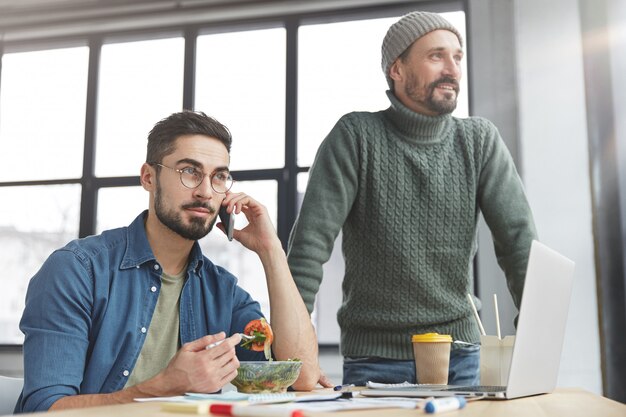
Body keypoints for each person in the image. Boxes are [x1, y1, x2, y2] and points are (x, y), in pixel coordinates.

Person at [287, 11, 537, 386]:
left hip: (461, 354)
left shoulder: (479, 140)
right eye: (436, 56)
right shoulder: (356, 136)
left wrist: (534, 339)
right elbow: (309, 248)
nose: (451, 68)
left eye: (457, 56)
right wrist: (294, 355)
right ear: (397, 69)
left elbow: (520, 244)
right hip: (376, 359)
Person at [16, 111, 320, 413]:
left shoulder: (223, 292)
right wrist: (163, 387)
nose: (205, 191)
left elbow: (302, 377)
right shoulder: (76, 270)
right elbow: (45, 409)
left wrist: (272, 252)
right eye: (190, 171)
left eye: (219, 177)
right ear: (149, 177)